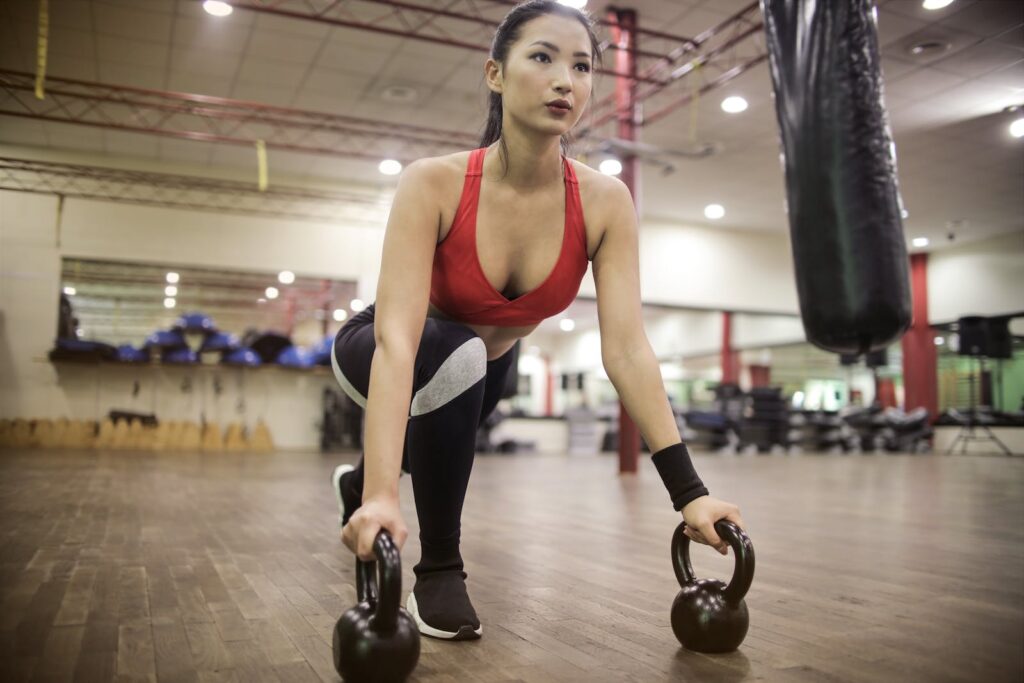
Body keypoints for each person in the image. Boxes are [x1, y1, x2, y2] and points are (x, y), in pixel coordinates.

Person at [330, 0, 745, 642]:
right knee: (454, 351)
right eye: (542, 58)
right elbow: (398, 340)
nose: (565, 81)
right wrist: (386, 494)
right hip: (381, 344)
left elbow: (629, 352)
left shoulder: (605, 202)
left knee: (465, 376)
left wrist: (689, 493)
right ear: (495, 74)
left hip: (487, 368)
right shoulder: (434, 184)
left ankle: (356, 483)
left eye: (581, 67)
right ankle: (439, 567)